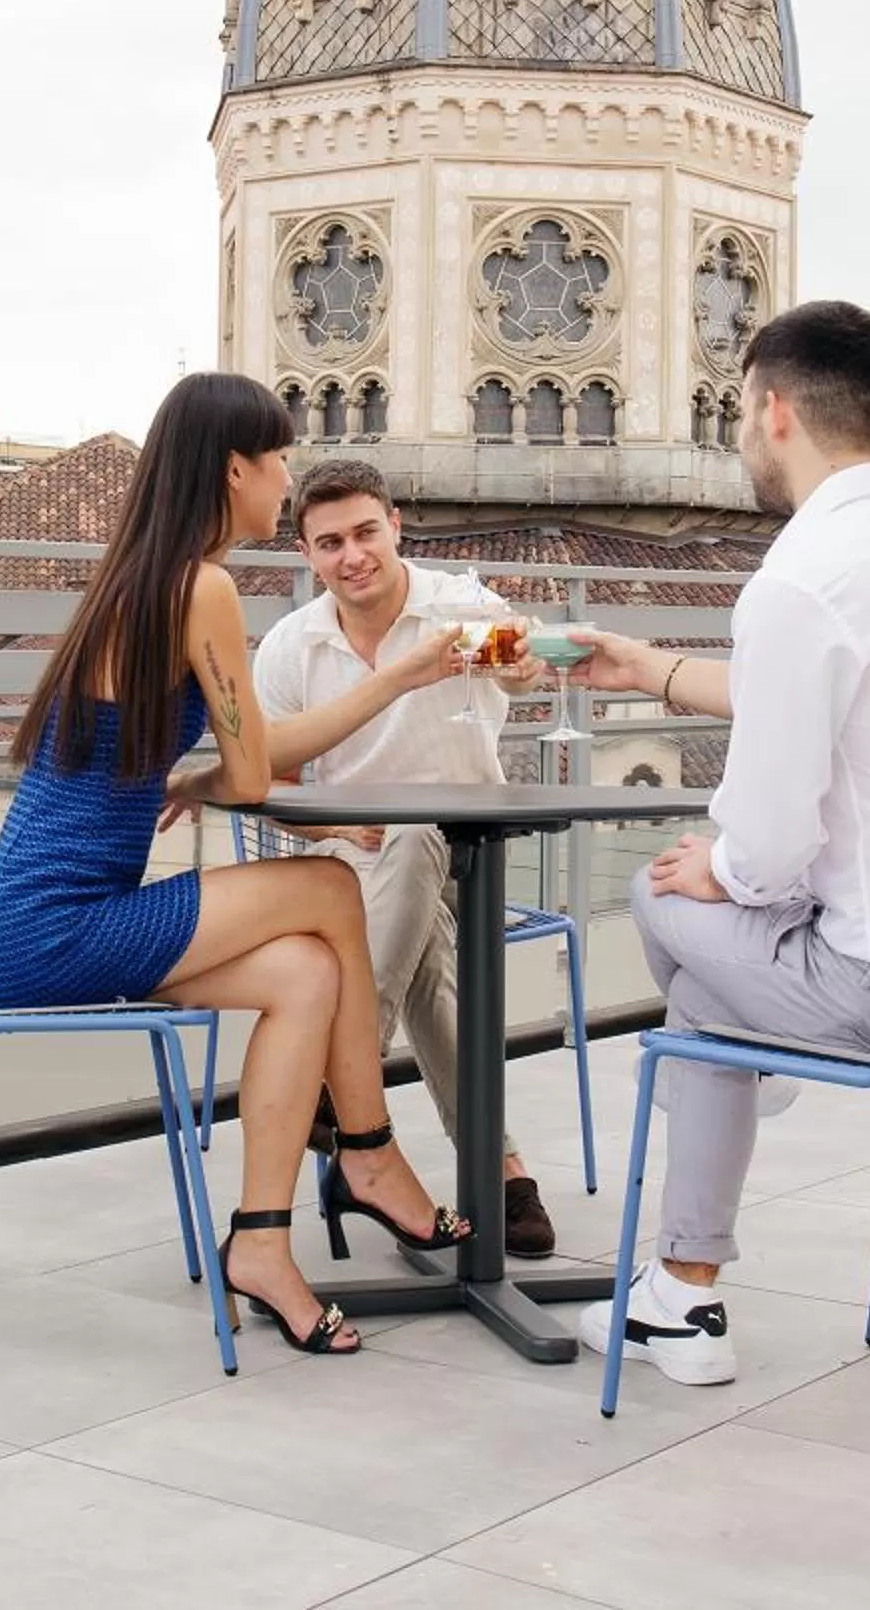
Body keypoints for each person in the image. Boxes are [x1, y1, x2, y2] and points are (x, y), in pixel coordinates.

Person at [562, 302, 870, 1386]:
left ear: (774, 410)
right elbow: (819, 696)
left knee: (663, 894)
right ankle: (681, 1290)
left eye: (739, 412)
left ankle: (690, 1271)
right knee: (713, 993)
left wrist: (718, 871)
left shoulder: (799, 577)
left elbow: (764, 845)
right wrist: (650, 666)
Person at [0, 373, 469, 1356]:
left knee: (308, 970)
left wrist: (200, 783)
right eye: (280, 461)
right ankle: (369, 1156)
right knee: (329, 887)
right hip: (56, 927)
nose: (285, 482)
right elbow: (255, 769)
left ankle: (262, 1240)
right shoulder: (202, 586)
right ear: (236, 466)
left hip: (45, 918)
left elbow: (232, 770)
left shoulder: (149, 576)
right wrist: (400, 677)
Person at [250, 458, 562, 1258]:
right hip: (355, 874)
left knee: (425, 837)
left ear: (395, 526)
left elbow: (525, 674)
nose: (352, 555)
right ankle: (499, 1170)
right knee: (424, 942)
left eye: (364, 532)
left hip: (474, 864)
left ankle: (342, 1092)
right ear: (306, 555)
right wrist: (338, 835)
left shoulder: (460, 610)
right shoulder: (292, 648)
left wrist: (526, 668)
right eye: (330, 543)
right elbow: (272, 785)